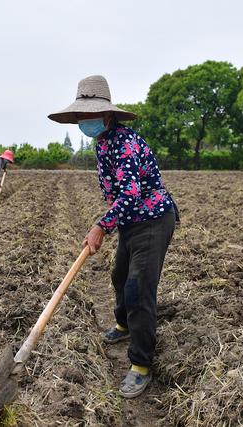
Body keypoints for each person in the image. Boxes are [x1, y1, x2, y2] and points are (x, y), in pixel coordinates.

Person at [48, 75, 179, 399]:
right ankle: (123, 325)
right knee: (119, 275)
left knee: (138, 289)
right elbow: (117, 194)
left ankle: (141, 364)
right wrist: (111, 223)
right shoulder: (103, 142)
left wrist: (100, 226)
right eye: (81, 116)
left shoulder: (123, 143)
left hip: (152, 220)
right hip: (131, 222)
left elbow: (131, 193)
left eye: (89, 115)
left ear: (107, 115)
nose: (84, 121)